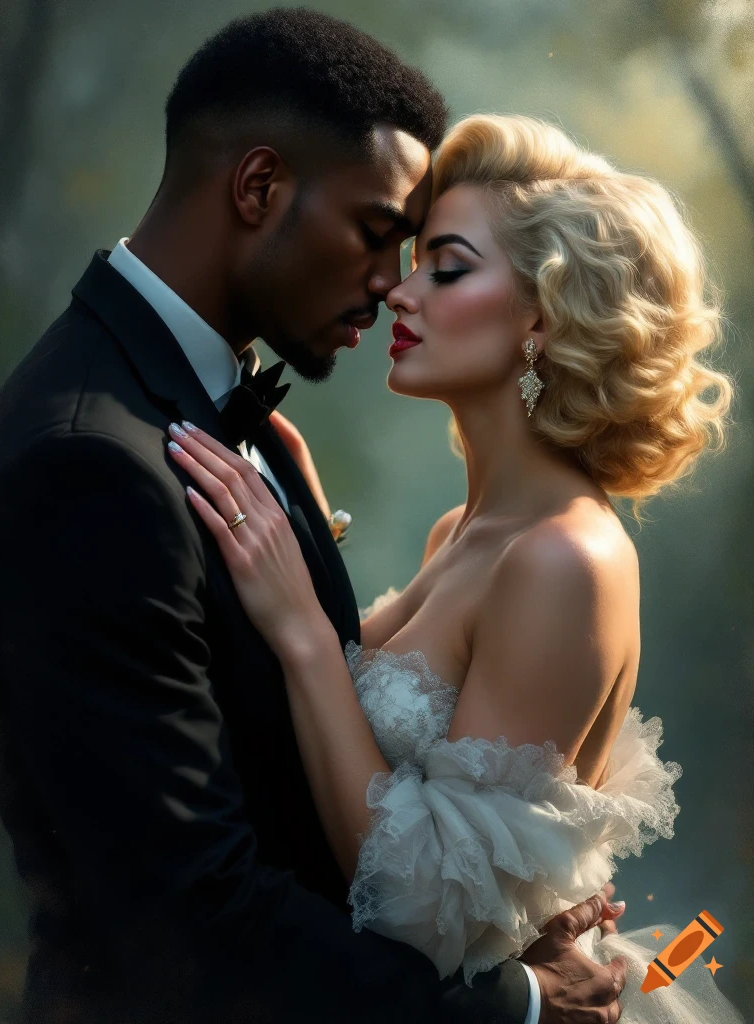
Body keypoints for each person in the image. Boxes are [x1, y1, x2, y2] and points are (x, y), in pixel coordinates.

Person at [0, 10, 627, 1024]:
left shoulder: (246, 434)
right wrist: (515, 1003)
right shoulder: (90, 459)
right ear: (258, 188)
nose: (391, 285)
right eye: (378, 236)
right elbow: (188, 917)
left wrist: (521, 903)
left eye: (430, 258)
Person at [164, 112, 745, 1024]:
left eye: (448, 268)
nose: (399, 293)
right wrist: (308, 536)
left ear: (544, 320)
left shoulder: (566, 558)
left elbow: (425, 902)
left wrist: (307, 636)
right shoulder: (459, 532)